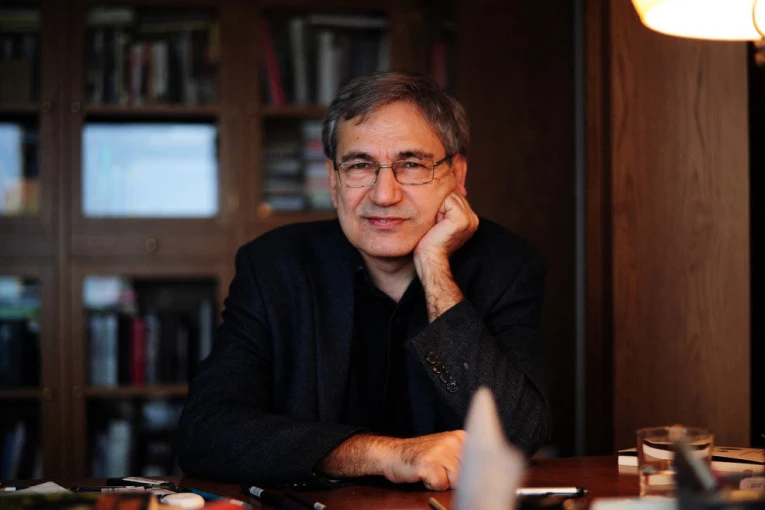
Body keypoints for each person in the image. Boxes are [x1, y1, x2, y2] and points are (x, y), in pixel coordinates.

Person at [176, 71, 551, 491]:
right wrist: (381, 454)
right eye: (359, 165)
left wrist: (434, 268)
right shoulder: (274, 268)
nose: (384, 194)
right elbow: (205, 432)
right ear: (333, 181)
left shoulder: (506, 266)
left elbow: (516, 437)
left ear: (457, 175)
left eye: (412, 164)